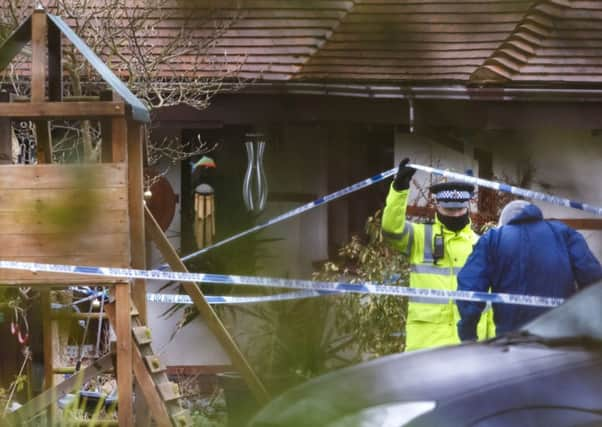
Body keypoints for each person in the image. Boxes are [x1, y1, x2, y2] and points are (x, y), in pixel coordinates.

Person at [382, 158, 494, 351]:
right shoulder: (419, 237)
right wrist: (399, 190)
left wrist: (493, 347)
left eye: (459, 209)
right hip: (427, 347)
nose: (455, 214)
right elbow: (391, 229)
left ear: (467, 206)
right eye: (448, 209)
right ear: (436, 205)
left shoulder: (482, 245)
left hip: (470, 347)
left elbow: (491, 304)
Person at [456, 200, 602, 341]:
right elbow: (592, 278)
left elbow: (470, 288)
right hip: (562, 337)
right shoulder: (563, 233)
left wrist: (467, 331)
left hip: (513, 339)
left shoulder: (493, 239)